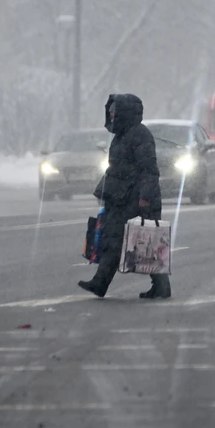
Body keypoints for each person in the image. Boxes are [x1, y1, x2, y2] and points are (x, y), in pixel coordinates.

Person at [78, 93, 171, 299]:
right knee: (120, 240)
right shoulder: (122, 135)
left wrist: (144, 197)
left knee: (142, 241)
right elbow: (117, 168)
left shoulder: (139, 135)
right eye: (110, 112)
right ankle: (102, 283)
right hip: (121, 196)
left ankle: (103, 283)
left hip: (134, 197)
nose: (111, 116)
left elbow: (149, 169)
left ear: (124, 113)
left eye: (114, 112)